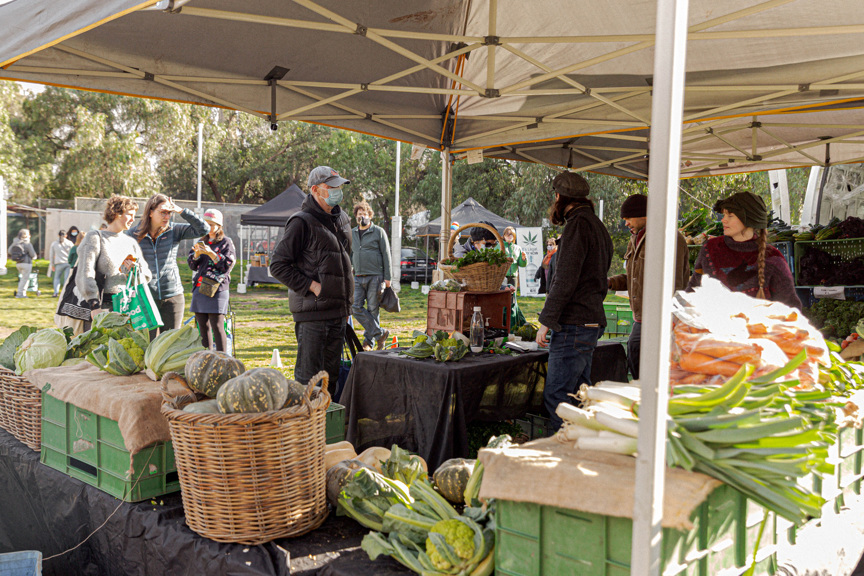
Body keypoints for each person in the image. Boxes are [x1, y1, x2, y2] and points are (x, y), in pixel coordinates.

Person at [535, 172, 612, 432]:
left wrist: (546, 321)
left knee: (558, 398)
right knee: (578, 398)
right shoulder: (596, 225)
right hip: (588, 321)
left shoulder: (578, 225)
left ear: (559, 197)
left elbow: (565, 281)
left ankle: (562, 454)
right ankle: (581, 450)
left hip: (575, 323)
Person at [270, 167, 353, 386]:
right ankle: (308, 421)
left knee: (331, 380)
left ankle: (327, 420)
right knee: (310, 382)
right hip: (313, 316)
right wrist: (313, 286)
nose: (338, 190)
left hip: (338, 313)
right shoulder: (301, 222)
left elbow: (343, 264)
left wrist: (345, 306)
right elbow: (278, 265)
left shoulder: (342, 219)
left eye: (339, 186)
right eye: (332, 186)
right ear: (315, 190)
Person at [607, 194, 690, 380]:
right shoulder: (635, 237)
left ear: (644, 214)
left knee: (657, 366)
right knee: (635, 355)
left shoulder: (669, 237)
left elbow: (674, 282)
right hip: (641, 317)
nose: (626, 223)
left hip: (661, 317)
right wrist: (611, 282)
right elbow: (635, 277)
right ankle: (641, 397)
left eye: (629, 218)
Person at [687, 191, 801, 309]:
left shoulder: (774, 259)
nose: (723, 220)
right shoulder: (710, 249)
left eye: (730, 215)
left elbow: (791, 308)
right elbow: (693, 289)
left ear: (749, 220)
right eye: (724, 215)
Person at [128, 194, 209, 338]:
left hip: (172, 296)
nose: (167, 216)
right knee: (147, 344)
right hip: (145, 297)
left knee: (170, 343)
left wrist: (180, 211)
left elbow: (203, 229)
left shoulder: (174, 230)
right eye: (163, 212)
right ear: (151, 212)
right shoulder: (133, 234)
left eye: (169, 213)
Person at [76, 196, 152, 325]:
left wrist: (133, 271)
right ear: (117, 213)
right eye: (130, 215)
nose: (134, 220)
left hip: (127, 307)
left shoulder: (130, 242)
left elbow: (146, 276)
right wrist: (94, 305)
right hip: (101, 307)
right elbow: (85, 272)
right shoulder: (95, 237)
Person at [188, 209, 236, 352]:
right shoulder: (200, 241)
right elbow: (192, 265)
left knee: (217, 325)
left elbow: (227, 265)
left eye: (211, 224)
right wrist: (196, 255)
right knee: (202, 326)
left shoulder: (226, 242)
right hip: (200, 288)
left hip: (217, 289)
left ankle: (222, 359)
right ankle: (206, 358)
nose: (208, 227)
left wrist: (211, 253)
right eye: (205, 224)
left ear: (219, 225)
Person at [350, 200, 392, 351]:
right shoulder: (352, 233)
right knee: (356, 307)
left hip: (375, 276)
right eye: (359, 214)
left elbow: (386, 254)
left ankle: (369, 343)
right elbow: (351, 254)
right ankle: (380, 334)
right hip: (358, 276)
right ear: (356, 217)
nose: (362, 217)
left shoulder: (378, 232)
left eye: (365, 214)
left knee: (373, 310)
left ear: (370, 216)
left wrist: (388, 278)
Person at [9, 229, 37, 298]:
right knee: (24, 279)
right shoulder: (27, 243)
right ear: (26, 235)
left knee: (23, 279)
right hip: (26, 263)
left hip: (18, 263)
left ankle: (23, 293)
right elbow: (33, 254)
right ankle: (20, 294)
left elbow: (9, 251)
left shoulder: (15, 242)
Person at [49, 230, 74, 297]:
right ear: (66, 235)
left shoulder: (54, 243)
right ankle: (65, 293)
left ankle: (55, 292)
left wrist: (52, 264)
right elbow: (72, 253)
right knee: (66, 279)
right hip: (68, 263)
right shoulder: (69, 243)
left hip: (58, 263)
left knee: (57, 278)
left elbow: (51, 255)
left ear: (58, 235)